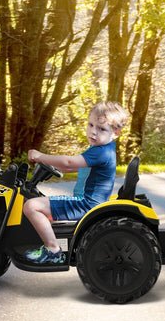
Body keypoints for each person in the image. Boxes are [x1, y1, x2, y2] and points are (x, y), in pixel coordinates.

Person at [24, 101, 128, 264]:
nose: (93, 132)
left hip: (85, 204)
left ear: (116, 133)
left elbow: (68, 163)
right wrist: (51, 165)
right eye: (91, 125)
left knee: (31, 206)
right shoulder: (100, 148)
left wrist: (39, 156)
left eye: (101, 129)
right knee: (41, 205)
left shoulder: (101, 151)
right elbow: (70, 168)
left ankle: (53, 250)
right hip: (86, 202)